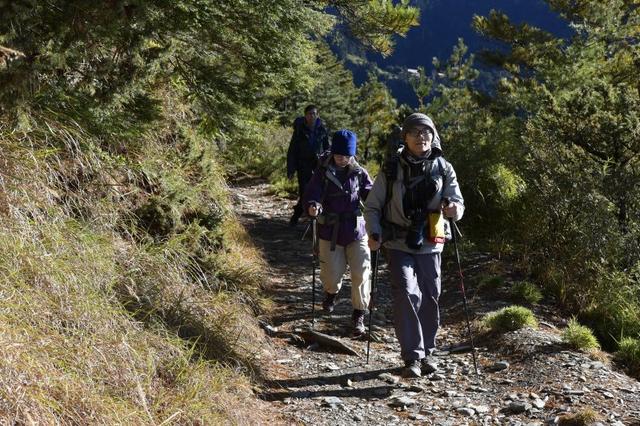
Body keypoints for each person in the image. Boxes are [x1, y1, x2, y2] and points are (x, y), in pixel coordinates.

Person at [363, 113, 464, 378]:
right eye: (415, 132)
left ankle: (427, 351)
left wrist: (453, 209)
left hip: (432, 242)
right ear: (405, 137)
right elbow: (372, 206)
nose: (421, 137)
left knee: (431, 295)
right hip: (397, 241)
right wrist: (374, 232)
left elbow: (457, 202)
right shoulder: (391, 169)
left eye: (426, 132)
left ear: (433, 136)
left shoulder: (444, 167)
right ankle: (413, 356)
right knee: (407, 292)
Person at [303, 129, 373, 336]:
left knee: (362, 271)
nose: (342, 159)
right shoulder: (322, 172)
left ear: (352, 154)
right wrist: (313, 206)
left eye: (346, 155)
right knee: (331, 275)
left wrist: (381, 208)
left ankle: (359, 313)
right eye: (339, 154)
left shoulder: (359, 172)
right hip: (330, 231)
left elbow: (371, 195)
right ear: (333, 152)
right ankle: (331, 293)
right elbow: (312, 193)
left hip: (356, 230)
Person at [287, 105, 330, 226]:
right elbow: (293, 150)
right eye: (309, 114)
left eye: (314, 113)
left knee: (318, 192)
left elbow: (327, 148)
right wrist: (291, 169)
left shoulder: (322, 130)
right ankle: (299, 216)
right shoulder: (300, 130)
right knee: (305, 192)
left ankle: (309, 218)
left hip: (319, 166)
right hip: (303, 165)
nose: (312, 116)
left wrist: (329, 164)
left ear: (318, 115)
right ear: (305, 115)